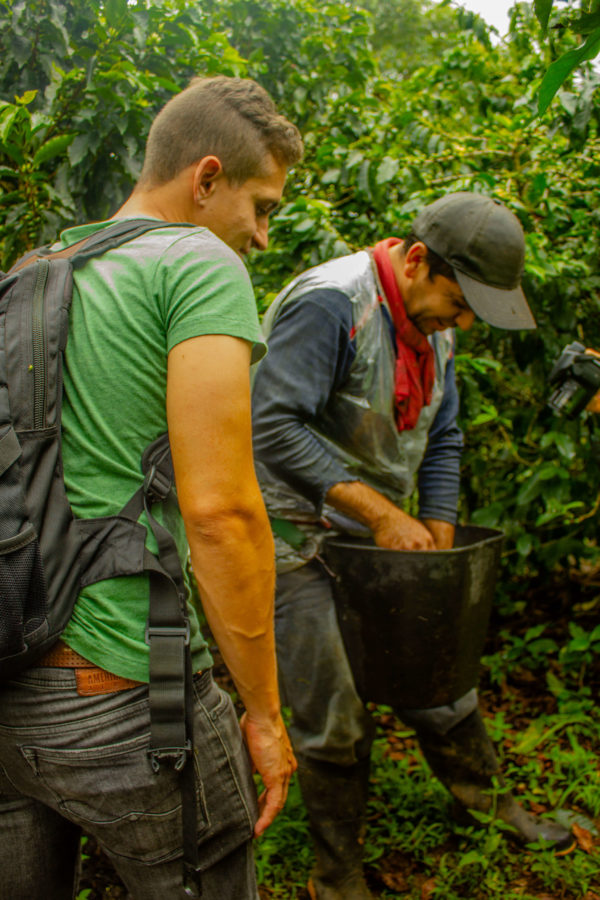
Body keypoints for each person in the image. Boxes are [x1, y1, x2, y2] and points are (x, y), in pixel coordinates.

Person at [0, 76, 303, 900]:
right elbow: (221, 510)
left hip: (12, 683)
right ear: (206, 179)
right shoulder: (196, 262)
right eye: (263, 206)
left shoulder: (35, 266)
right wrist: (265, 714)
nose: (264, 236)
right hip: (138, 688)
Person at [251, 192, 575, 900]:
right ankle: (335, 877)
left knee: (439, 667)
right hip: (294, 538)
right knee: (331, 716)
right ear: (417, 259)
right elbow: (270, 426)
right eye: (457, 303)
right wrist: (380, 515)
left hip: (373, 535)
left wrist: (438, 528)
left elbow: (444, 436)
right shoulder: (332, 303)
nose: (460, 322)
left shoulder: (437, 327)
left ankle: (490, 804)